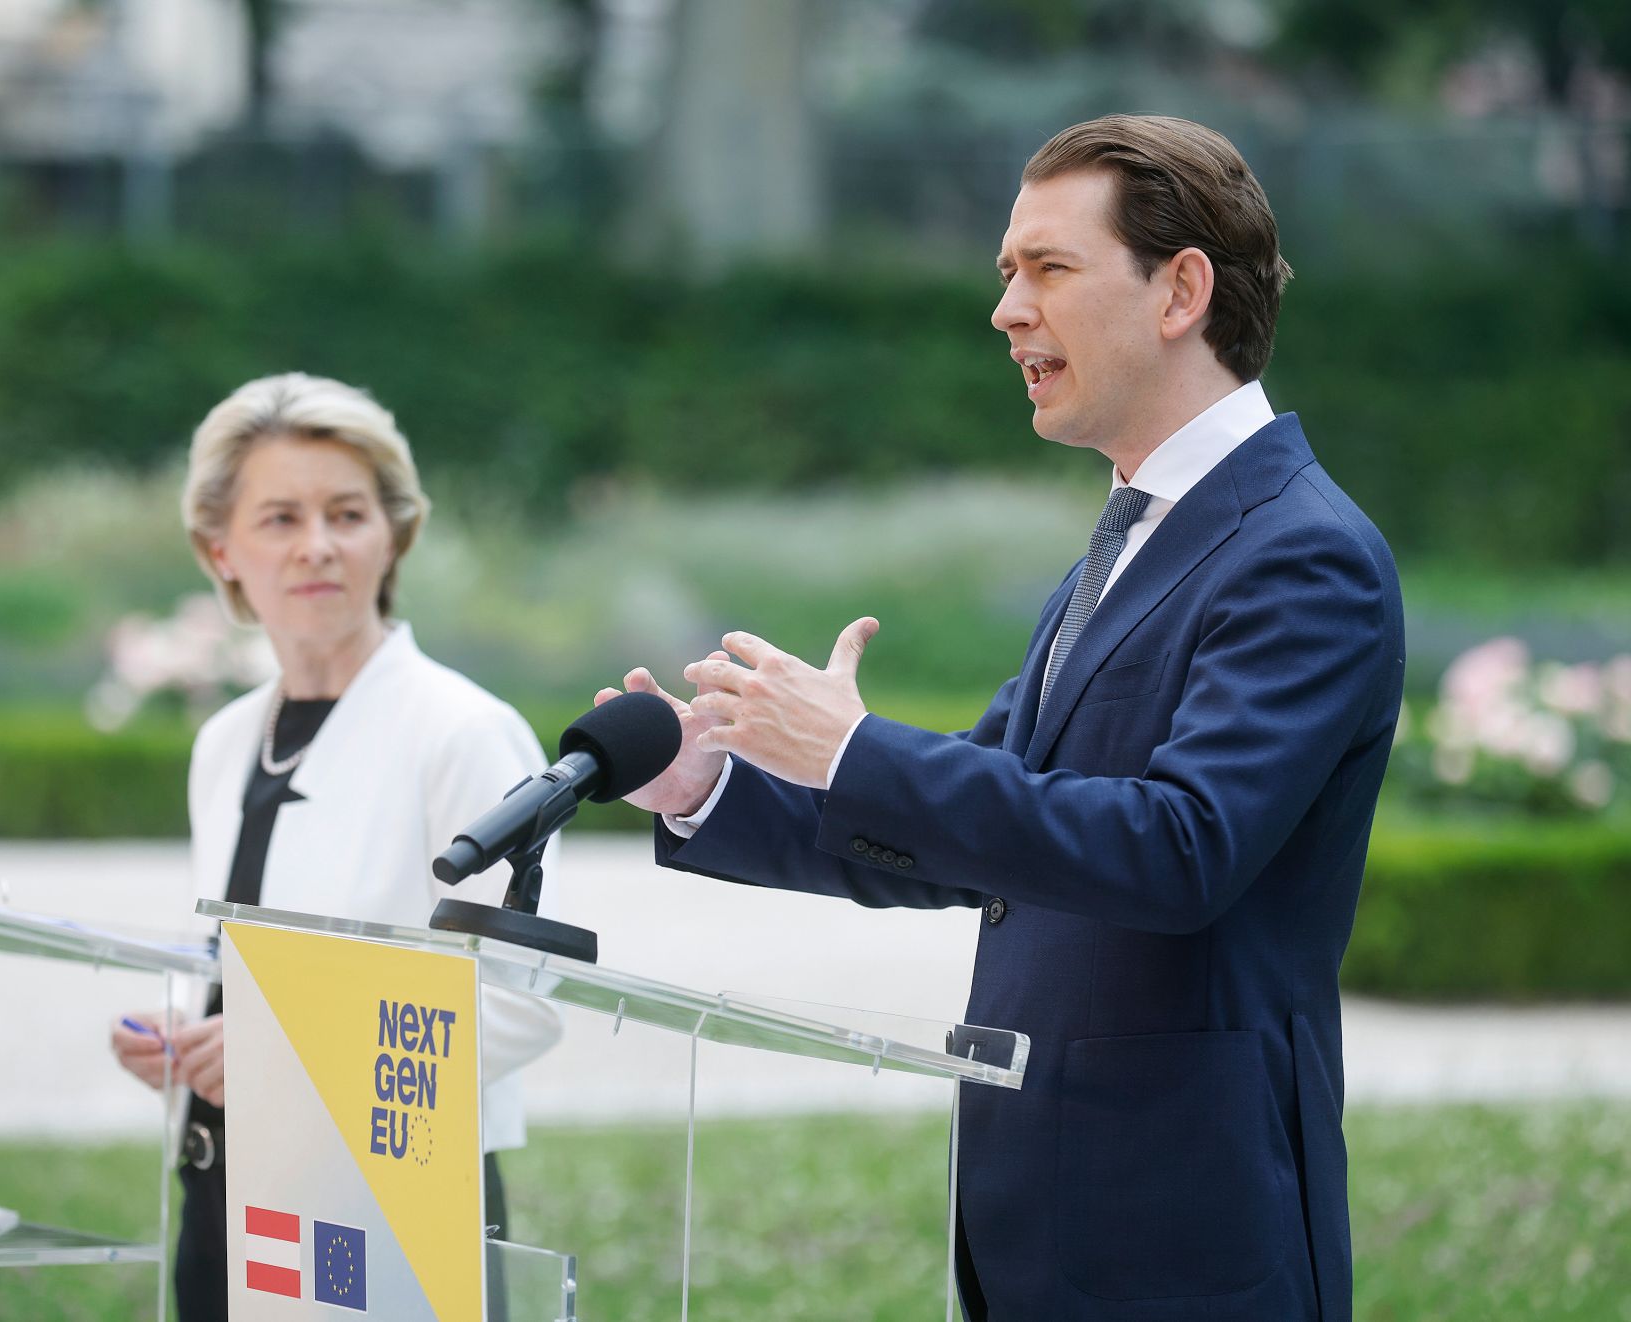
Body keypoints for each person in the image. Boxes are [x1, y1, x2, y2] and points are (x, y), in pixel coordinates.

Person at [597, 116, 1402, 1320]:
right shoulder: (1126, 538)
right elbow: (987, 822)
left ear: (1181, 288)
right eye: (1004, 275)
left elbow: (1178, 848)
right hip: (1033, 1221)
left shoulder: (1303, 555)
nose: (1005, 310)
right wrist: (707, 787)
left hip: (1187, 1233)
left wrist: (856, 748)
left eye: (1048, 269)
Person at [110, 373, 561, 1321]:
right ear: (219, 549)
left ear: (393, 534)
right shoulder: (225, 740)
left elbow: (520, 1002)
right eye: (280, 517)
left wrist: (281, 1051)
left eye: (347, 512)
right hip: (222, 1184)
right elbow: (240, 972)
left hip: (392, 1202)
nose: (317, 544)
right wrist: (184, 1042)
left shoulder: (465, 732)